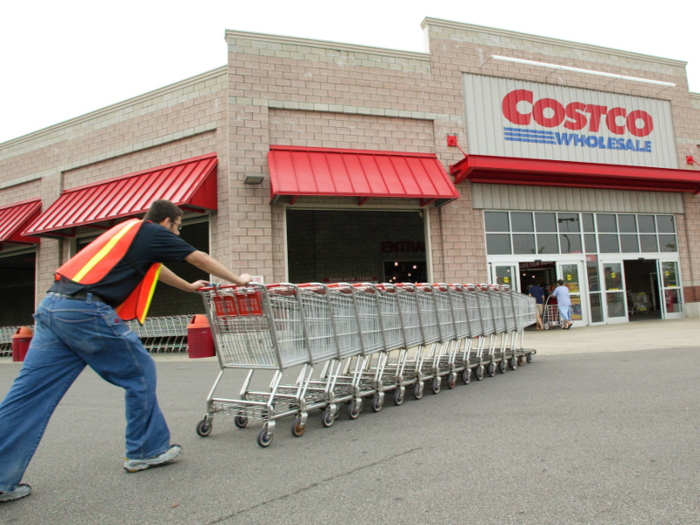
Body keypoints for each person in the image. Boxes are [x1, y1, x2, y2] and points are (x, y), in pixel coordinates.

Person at [0, 200, 252, 503]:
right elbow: (199, 258)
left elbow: (153, 271)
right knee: (140, 372)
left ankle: (2, 480)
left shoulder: (128, 232)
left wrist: (188, 288)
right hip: (86, 312)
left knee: (28, 395)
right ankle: (146, 450)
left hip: (53, 307)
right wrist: (239, 280)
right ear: (169, 221)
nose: (178, 232)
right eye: (179, 226)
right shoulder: (153, 232)